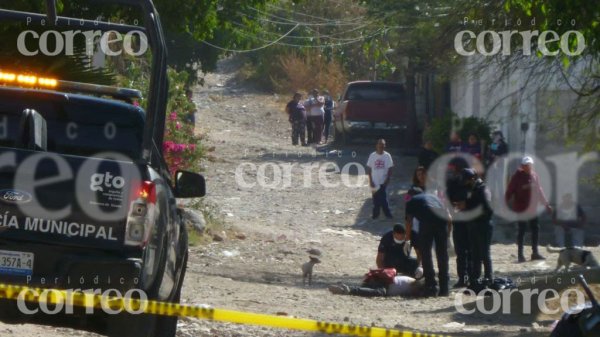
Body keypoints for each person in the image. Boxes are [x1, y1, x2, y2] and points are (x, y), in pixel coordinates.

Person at [505, 156, 553, 262]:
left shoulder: (534, 175)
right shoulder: (517, 176)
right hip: (521, 207)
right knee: (521, 230)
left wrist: (546, 204)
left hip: (532, 207)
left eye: (530, 164)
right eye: (526, 165)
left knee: (535, 229)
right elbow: (510, 190)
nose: (528, 166)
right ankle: (520, 255)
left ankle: (535, 253)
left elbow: (539, 190)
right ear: (522, 166)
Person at [405, 187, 452, 297]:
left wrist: (407, 239)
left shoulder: (412, 200)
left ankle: (431, 286)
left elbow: (408, 222)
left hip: (426, 222)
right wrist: (448, 236)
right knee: (442, 255)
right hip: (442, 222)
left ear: (411, 195)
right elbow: (449, 217)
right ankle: (444, 288)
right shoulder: (435, 198)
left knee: (426, 254)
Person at [457, 168, 494, 292]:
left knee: (484, 253)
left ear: (472, 179)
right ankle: (475, 280)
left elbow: (488, 209)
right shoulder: (472, 189)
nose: (466, 184)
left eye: (467, 181)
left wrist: (468, 206)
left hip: (483, 225)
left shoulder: (484, 189)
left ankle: (489, 278)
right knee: (475, 255)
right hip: (473, 226)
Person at [328, 273, 423, 298]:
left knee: (369, 290)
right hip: (384, 283)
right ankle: (348, 290)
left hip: (382, 282)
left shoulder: (411, 283)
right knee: (379, 292)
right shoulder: (411, 284)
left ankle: (344, 287)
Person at [367, 139, 394, 219]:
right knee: (375, 200)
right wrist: (370, 180)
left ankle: (388, 215)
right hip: (374, 182)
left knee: (383, 199)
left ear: (384, 146)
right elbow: (369, 168)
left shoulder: (387, 156)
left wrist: (388, 179)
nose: (380, 146)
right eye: (379, 144)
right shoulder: (372, 155)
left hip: (383, 181)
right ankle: (375, 215)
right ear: (377, 145)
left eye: (382, 145)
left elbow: (390, 168)